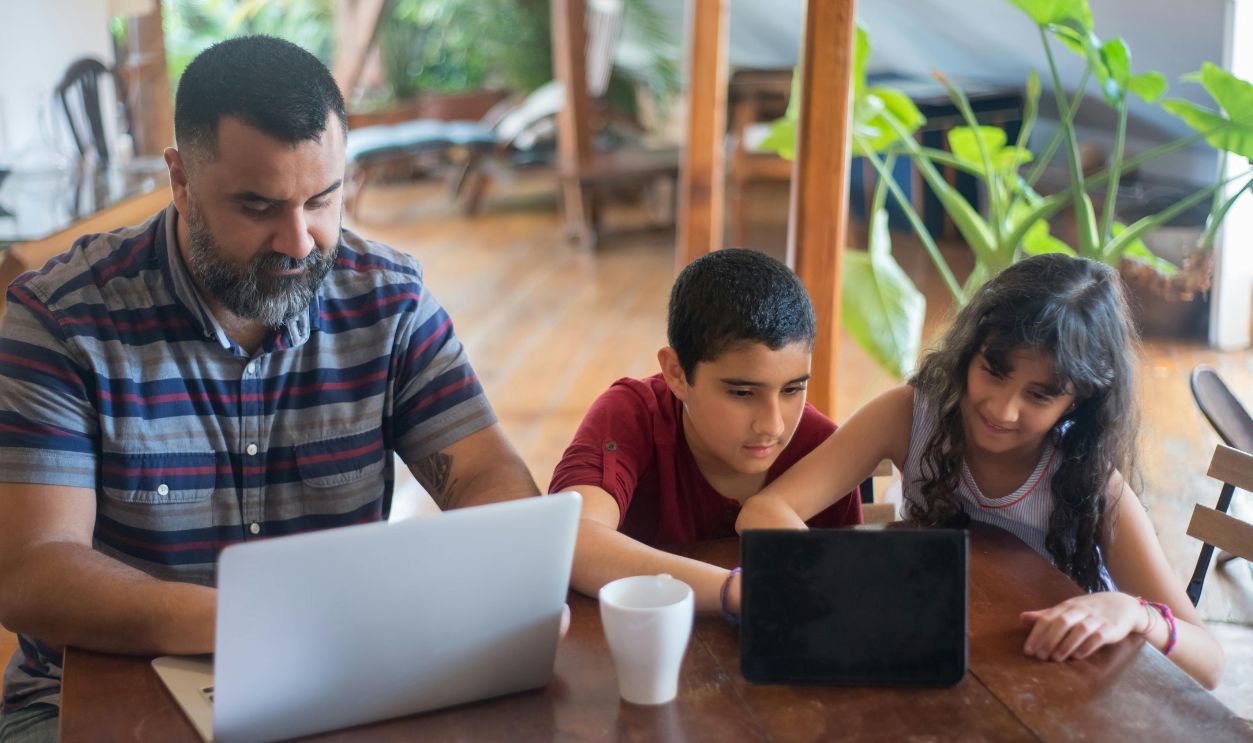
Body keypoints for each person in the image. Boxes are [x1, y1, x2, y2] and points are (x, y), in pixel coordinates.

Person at [0, 36, 539, 740]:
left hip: (337, 676)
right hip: (99, 689)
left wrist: (495, 576)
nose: (299, 241)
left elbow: (484, 473)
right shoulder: (63, 319)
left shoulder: (389, 300)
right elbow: (34, 571)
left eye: (322, 199)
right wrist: (261, 626)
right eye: (258, 206)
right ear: (180, 180)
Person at [736, 253, 1224, 688]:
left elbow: (1208, 664)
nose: (1004, 410)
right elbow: (765, 510)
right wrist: (836, 581)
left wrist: (1135, 613)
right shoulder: (910, 414)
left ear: (1081, 400)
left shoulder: (1092, 483)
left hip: (1057, 685)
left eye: (1040, 394)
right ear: (968, 349)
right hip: (938, 659)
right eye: (993, 370)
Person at [549, 248, 862, 620]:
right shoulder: (632, 416)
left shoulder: (821, 451)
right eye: (743, 393)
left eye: (792, 389)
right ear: (677, 374)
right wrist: (737, 591)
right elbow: (569, 539)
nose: (773, 425)